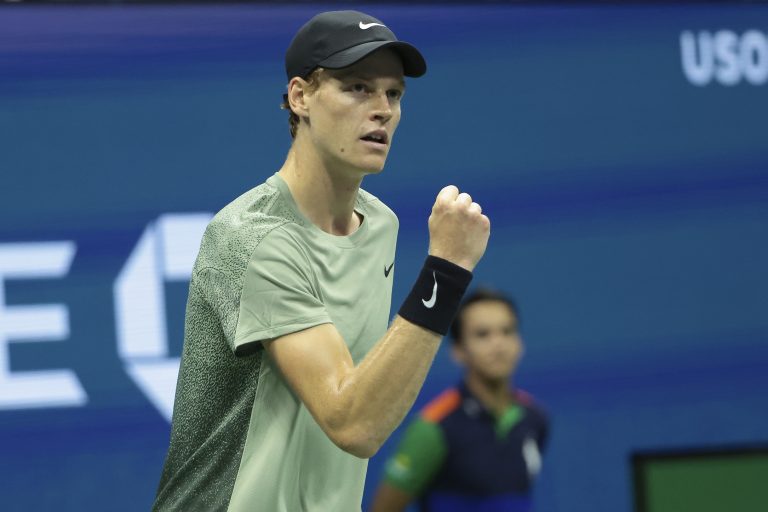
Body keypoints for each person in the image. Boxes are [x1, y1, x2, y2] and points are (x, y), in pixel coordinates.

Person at [151, 10, 491, 512]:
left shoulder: (381, 225)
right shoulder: (252, 238)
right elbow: (352, 422)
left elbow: (371, 392)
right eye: (356, 88)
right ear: (300, 97)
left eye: (393, 93)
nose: (382, 110)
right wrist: (446, 271)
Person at [370, 289, 549, 512]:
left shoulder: (535, 417)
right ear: (458, 350)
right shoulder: (433, 427)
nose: (498, 344)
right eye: (482, 334)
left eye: (507, 331)